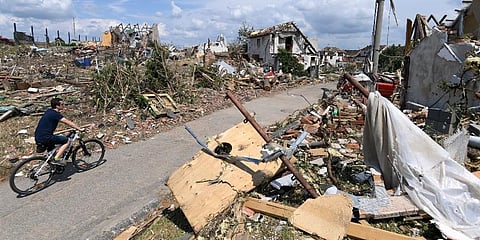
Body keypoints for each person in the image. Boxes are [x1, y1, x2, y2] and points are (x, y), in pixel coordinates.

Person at [34, 98, 84, 166]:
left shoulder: (49, 111)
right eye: (62, 104)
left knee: (53, 148)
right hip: (45, 137)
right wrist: (79, 128)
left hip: (38, 136)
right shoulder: (55, 114)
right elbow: (68, 122)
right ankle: (56, 159)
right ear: (57, 106)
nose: (64, 105)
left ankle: (53, 164)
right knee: (67, 141)